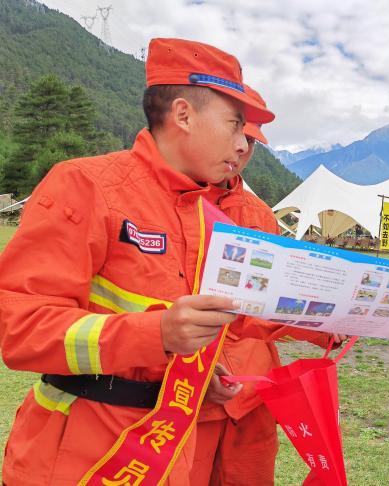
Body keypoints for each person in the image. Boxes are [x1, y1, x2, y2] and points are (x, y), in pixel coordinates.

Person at [0, 38, 275, 485]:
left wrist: (195, 368)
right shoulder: (85, 186)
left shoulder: (206, 213)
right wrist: (158, 333)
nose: (243, 143)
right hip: (80, 453)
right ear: (183, 115)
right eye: (234, 124)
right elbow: (20, 331)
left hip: (172, 448)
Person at [191, 85, 340, 486]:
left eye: (252, 141)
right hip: (189, 387)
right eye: (235, 133)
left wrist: (323, 325)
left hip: (254, 390)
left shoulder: (259, 215)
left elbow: (275, 298)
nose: (241, 149)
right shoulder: (172, 206)